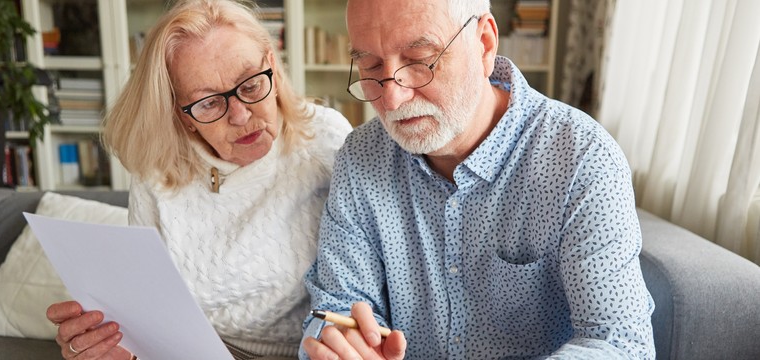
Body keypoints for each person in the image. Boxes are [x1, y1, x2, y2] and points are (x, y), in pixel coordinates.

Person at [300, 0, 655, 359]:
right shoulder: (361, 158)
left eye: (421, 60)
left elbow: (619, 341)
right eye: (370, 65)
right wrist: (344, 345)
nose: (392, 98)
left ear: (484, 43)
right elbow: (335, 308)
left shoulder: (581, 159)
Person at [44, 0, 352, 359]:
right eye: (208, 103)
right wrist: (114, 345)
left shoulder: (325, 139)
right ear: (182, 114)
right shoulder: (157, 170)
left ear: (272, 66)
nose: (239, 115)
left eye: (251, 85)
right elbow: (149, 312)